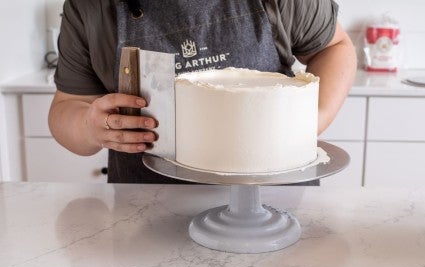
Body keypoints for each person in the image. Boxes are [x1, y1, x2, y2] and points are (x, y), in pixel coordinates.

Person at [48, 0, 357, 184]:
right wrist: (89, 127)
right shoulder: (91, 6)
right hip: (146, 207)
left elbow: (335, 47)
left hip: (274, 199)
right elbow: (68, 105)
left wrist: (310, 122)